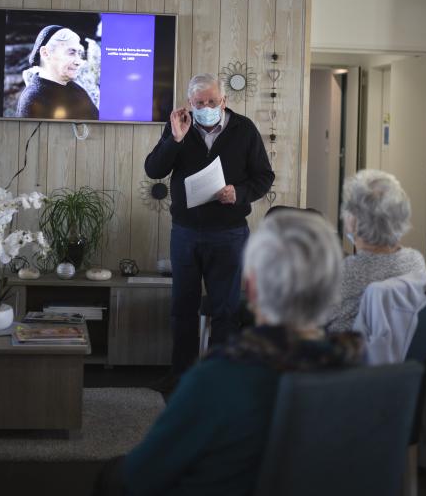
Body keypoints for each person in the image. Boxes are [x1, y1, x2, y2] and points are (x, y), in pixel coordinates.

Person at [92, 210, 364, 496]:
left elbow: (142, 476)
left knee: (113, 476)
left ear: (251, 285)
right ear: (334, 286)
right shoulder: (362, 376)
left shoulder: (218, 378)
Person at [145, 73, 274, 380]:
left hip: (229, 232)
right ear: (190, 103)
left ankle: (218, 381)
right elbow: (154, 170)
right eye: (200, 103)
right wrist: (174, 139)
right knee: (182, 309)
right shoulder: (178, 126)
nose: (206, 107)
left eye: (212, 102)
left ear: (224, 101)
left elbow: (263, 177)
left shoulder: (244, 129)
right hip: (186, 232)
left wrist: (238, 193)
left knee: (225, 311)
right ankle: (182, 378)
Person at [326, 169, 426, 332]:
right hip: (402, 355)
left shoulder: (346, 272)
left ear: (353, 220)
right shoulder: (415, 261)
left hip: (347, 354)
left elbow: (313, 319)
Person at [16, 24, 99, 120]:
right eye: (71, 53)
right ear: (45, 53)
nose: (78, 61)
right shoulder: (33, 99)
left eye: (79, 54)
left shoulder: (77, 90)